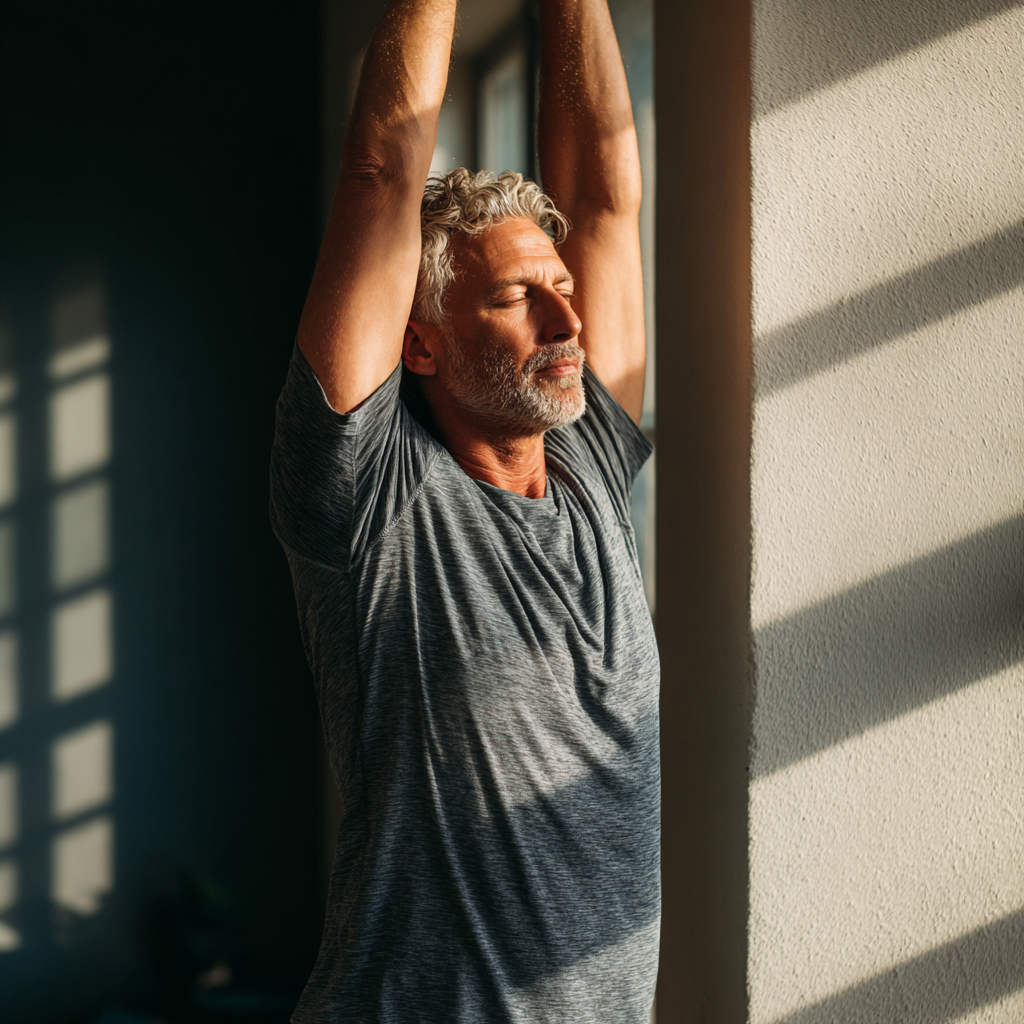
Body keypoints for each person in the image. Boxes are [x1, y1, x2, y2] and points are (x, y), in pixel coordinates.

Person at [270, 0, 658, 1019]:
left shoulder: (589, 465)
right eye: (513, 297)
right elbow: (379, 175)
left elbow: (607, 200)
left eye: (562, 285)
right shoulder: (369, 494)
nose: (566, 318)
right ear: (420, 342)